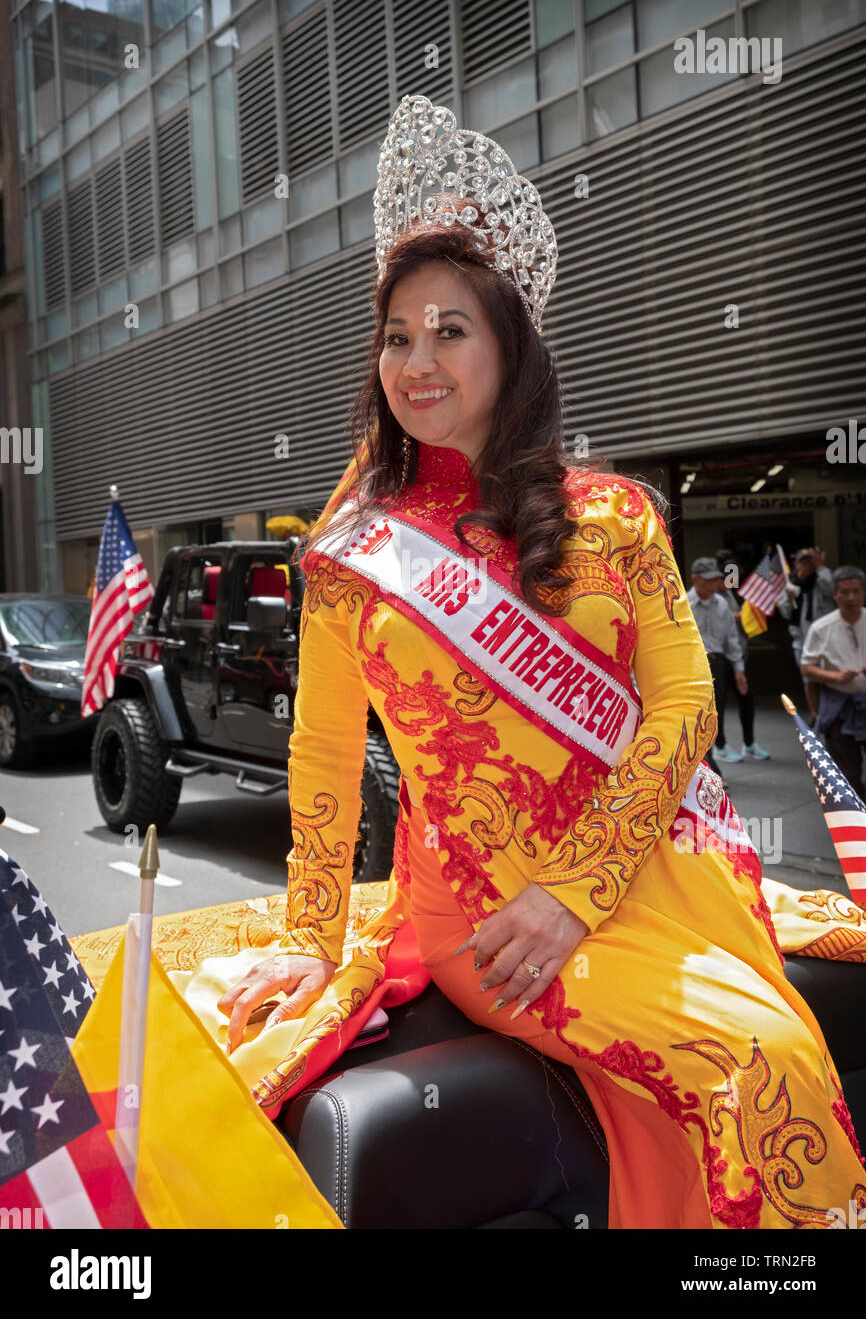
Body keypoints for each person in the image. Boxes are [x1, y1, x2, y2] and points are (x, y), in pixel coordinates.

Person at [189, 96, 864, 1229]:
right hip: (483, 917)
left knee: (781, 1038)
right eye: (396, 335)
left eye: (450, 328)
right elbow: (319, 751)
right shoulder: (355, 550)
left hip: (638, 881)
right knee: (747, 1058)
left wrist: (578, 889)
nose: (417, 359)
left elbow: (683, 705)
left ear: (511, 341)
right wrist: (308, 938)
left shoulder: (613, 518)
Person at [801, 566, 866, 799]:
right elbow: (807, 667)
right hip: (838, 705)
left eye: (856, 591)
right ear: (835, 594)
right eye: (845, 592)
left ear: (863, 593)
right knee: (846, 772)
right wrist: (835, 677)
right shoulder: (821, 627)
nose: (851, 597)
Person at [685, 559, 749, 766]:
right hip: (693, 666)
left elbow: (732, 639)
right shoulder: (683, 603)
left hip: (718, 663)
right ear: (695, 579)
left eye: (716, 579)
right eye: (709, 580)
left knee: (716, 712)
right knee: (697, 715)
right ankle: (708, 763)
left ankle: (713, 757)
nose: (714, 584)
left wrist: (739, 669)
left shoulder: (722, 604)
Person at [714, 549, 770, 760]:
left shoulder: (730, 593)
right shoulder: (712, 595)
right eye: (730, 575)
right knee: (718, 704)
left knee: (746, 699)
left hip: (738, 654)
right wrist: (740, 616)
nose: (733, 579)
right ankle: (720, 747)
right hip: (718, 656)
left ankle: (749, 744)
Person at [778, 547, 835, 721]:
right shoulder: (793, 582)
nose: (805, 565)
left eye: (809, 561)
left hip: (824, 639)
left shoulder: (822, 579)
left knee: (826, 677)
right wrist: (788, 597)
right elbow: (786, 612)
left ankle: (829, 713)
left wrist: (820, 568)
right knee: (808, 678)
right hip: (801, 639)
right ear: (796, 564)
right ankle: (815, 714)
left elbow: (831, 590)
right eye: (802, 562)